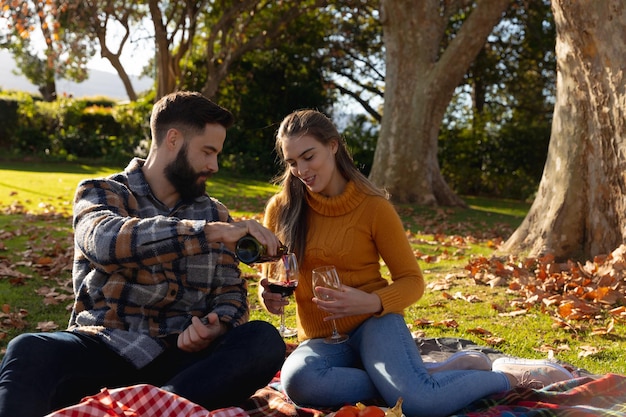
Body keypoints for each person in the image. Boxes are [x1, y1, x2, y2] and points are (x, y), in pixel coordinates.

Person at [258, 109, 573, 417]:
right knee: (299, 381)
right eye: (292, 162)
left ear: (333, 145)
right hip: (323, 341)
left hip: (376, 325)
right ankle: (414, 376)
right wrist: (267, 296)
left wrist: (369, 301)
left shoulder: (373, 207)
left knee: (422, 404)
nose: (301, 169)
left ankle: (505, 377)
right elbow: (273, 278)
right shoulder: (281, 209)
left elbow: (412, 281)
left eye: (308, 156)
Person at [0, 91, 286, 417]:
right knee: (28, 349)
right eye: (208, 151)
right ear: (173, 140)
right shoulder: (102, 192)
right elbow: (104, 242)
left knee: (263, 339)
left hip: (183, 368)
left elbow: (230, 291)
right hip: (105, 350)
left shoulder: (215, 212)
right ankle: (162, 409)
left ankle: (152, 406)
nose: (214, 165)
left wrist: (217, 324)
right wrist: (207, 233)